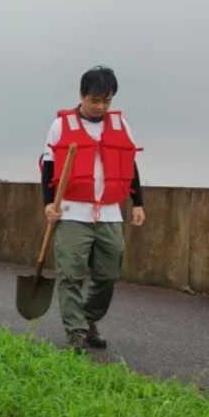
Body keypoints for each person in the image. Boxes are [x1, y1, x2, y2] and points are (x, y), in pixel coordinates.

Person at [41, 66, 146, 353]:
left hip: (110, 214)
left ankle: (88, 319)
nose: (100, 107)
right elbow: (48, 166)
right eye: (95, 100)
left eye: (107, 101)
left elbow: (130, 165)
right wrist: (49, 202)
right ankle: (75, 333)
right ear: (81, 95)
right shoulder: (61, 125)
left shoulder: (121, 125)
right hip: (73, 213)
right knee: (71, 276)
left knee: (108, 275)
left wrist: (138, 204)